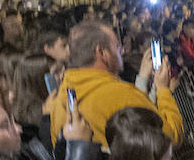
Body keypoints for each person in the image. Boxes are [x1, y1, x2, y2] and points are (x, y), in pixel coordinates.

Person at [51, 21, 182, 150]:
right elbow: (170, 138)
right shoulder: (122, 95)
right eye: (117, 46)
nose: (123, 51)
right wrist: (163, 90)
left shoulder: (60, 100)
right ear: (102, 53)